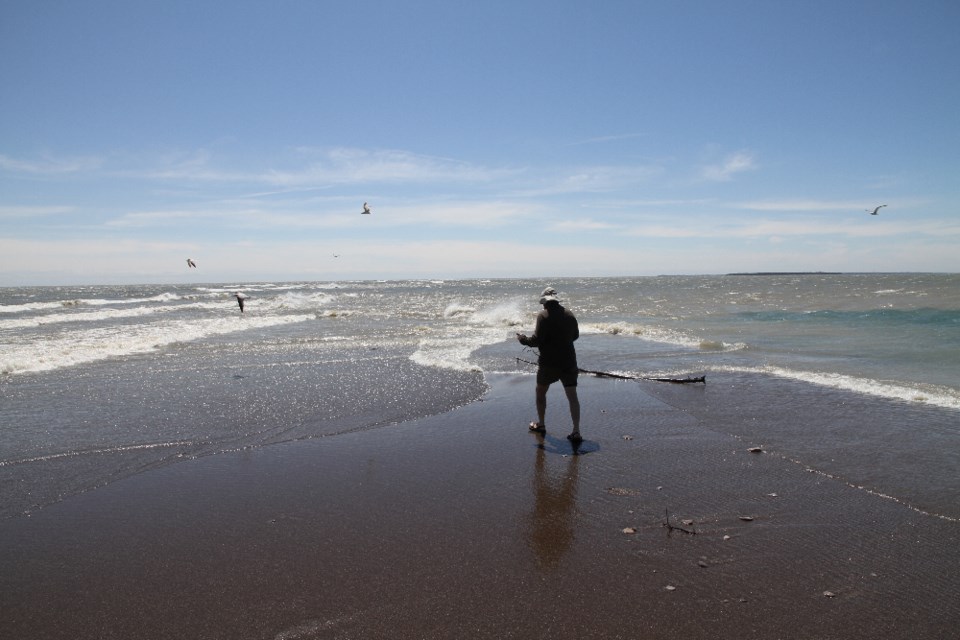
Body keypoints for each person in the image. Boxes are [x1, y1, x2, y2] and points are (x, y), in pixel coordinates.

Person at [516, 286, 582, 443]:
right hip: (568, 361)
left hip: (548, 364)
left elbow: (536, 341)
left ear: (544, 302)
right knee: (572, 397)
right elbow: (576, 336)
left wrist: (522, 339)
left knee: (540, 393)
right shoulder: (569, 314)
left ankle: (542, 424)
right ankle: (576, 431)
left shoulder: (543, 316)